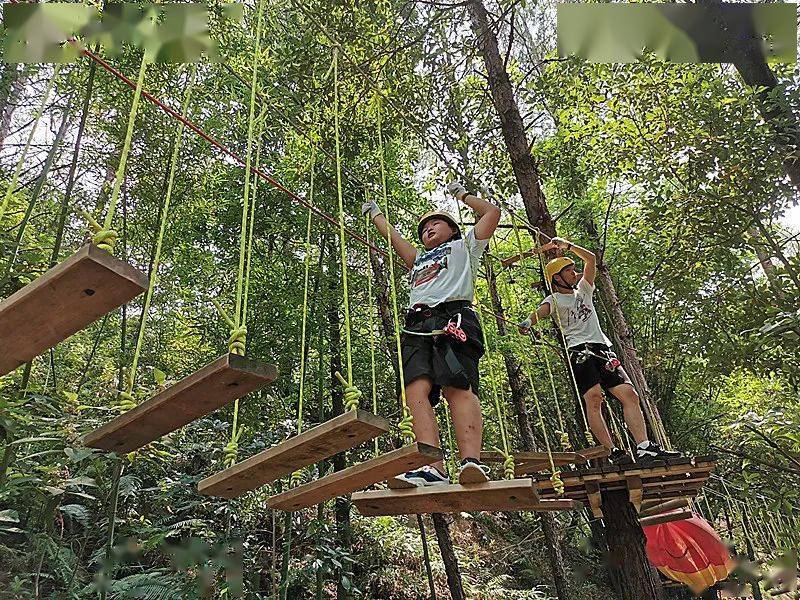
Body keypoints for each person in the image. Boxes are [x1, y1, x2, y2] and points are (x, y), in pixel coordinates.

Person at [362, 182, 501, 486]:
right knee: (415, 392)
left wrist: (462, 196)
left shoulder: (465, 245)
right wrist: (376, 216)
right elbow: (394, 239)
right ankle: (432, 467)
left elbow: (492, 212)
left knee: (457, 386)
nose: (428, 228)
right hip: (416, 325)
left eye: (436, 222)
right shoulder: (418, 261)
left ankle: (470, 462)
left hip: (453, 317)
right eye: (424, 227)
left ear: (452, 229)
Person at [518, 235, 680, 465]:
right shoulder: (553, 299)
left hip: (601, 349)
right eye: (569, 271)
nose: (575, 274)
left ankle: (644, 447)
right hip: (579, 351)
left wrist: (568, 247)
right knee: (594, 399)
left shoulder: (583, 290)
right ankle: (612, 451)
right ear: (557, 278)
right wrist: (528, 322)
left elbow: (591, 260)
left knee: (629, 395)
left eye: (574, 270)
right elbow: (541, 311)